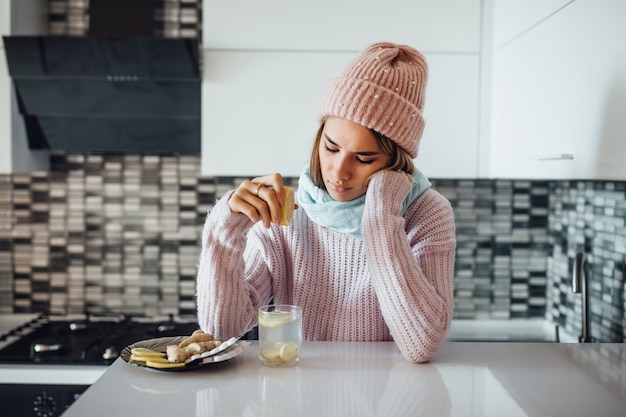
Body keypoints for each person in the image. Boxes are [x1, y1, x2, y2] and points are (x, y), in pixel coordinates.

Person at [196, 41, 456, 363]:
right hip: (298, 395)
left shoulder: (427, 213)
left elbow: (423, 345)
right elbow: (224, 329)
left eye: (363, 158)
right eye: (331, 148)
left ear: (395, 162)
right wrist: (224, 233)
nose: (339, 172)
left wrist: (380, 219)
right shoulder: (287, 212)